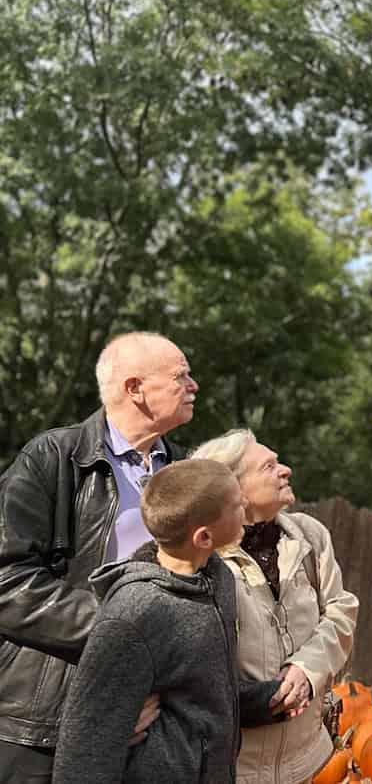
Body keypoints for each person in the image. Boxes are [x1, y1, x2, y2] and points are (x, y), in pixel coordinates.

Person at [0, 331, 198, 782]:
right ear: (135, 389)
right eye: (181, 375)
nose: (194, 386)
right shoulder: (52, 457)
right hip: (44, 721)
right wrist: (125, 633)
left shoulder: (191, 474)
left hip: (156, 724)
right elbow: (7, 581)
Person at [53, 459, 283, 783]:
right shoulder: (134, 615)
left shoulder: (219, 580)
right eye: (235, 505)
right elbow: (86, 746)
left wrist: (266, 700)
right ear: (203, 537)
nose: (245, 504)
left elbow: (203, 688)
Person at [193, 429, 358, 784]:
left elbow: (341, 611)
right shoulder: (200, 556)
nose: (286, 470)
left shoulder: (310, 537)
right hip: (231, 767)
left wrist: (307, 669)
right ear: (234, 489)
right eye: (269, 466)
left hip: (308, 761)